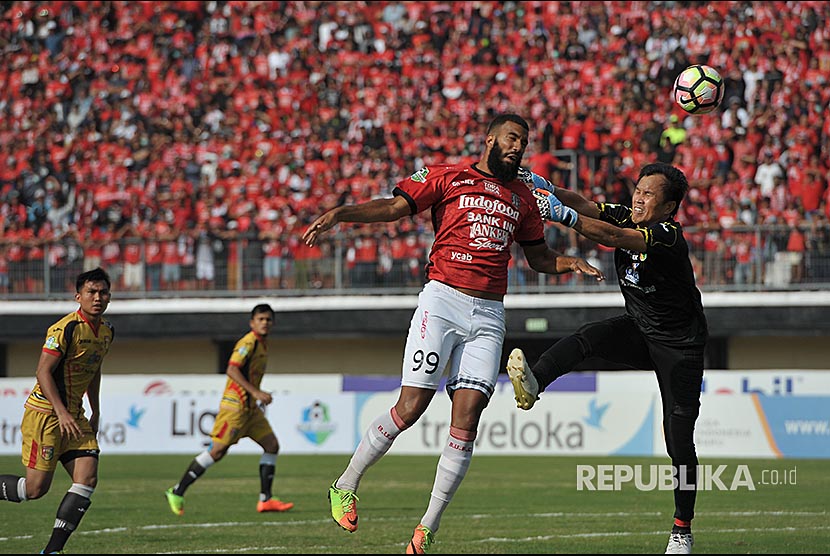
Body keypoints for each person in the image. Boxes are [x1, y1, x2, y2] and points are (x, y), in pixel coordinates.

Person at [302, 113, 604, 554]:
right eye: (511, 138)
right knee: (411, 407)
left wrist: (568, 263)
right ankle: (345, 484)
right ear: (489, 140)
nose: (518, 146)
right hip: (442, 301)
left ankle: (427, 528)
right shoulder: (446, 176)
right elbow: (393, 207)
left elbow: (539, 257)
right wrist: (342, 214)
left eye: (524, 141)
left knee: (468, 420)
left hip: (489, 313)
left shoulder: (523, 196)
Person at [508, 162, 707, 555]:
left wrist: (561, 215)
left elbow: (612, 235)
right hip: (640, 329)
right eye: (638, 189)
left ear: (668, 209)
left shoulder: (666, 235)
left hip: (680, 346)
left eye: (650, 194)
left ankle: (681, 530)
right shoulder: (627, 212)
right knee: (589, 337)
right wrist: (539, 185)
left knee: (678, 441)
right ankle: (535, 382)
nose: (638, 197)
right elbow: (582, 203)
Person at [0, 267, 114, 554]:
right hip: (46, 415)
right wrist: (61, 412)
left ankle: (52, 550)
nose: (97, 297)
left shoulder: (107, 332)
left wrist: (95, 409)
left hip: (75, 415)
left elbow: (94, 369)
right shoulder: (65, 328)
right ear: (79, 296)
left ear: (109, 297)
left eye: (102, 292)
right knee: (35, 490)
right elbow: (43, 372)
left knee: (87, 477)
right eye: (91, 292)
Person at [164, 304, 294, 515]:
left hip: (250, 411)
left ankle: (265, 500)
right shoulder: (248, 342)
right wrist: (256, 392)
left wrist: (255, 395)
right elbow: (232, 369)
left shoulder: (262, 344)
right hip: (235, 408)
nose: (265, 323)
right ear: (252, 322)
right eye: (261, 319)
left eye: (268, 319)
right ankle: (177, 491)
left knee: (271, 445)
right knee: (216, 451)